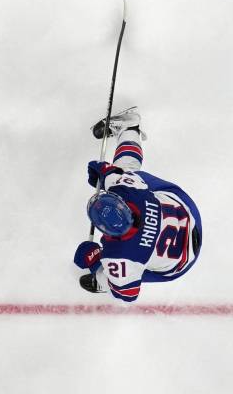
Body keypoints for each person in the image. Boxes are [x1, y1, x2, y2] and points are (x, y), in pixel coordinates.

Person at [73, 107, 202, 302]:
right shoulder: (130, 193)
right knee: (127, 172)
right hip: (187, 214)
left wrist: (95, 265)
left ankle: (104, 280)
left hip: (180, 262)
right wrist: (103, 173)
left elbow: (128, 295)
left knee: (123, 278)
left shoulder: (119, 256)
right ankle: (129, 127)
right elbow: (111, 173)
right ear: (122, 204)